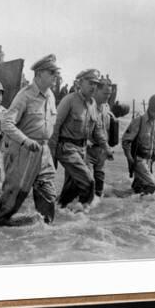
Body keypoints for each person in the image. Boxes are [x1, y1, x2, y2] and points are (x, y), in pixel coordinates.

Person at [0, 54, 59, 225]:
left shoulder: (51, 96)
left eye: (55, 72)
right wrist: (25, 141)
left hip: (44, 152)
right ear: (38, 74)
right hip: (24, 151)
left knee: (48, 193)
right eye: (51, 72)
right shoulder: (25, 95)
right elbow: (6, 123)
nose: (55, 76)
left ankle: (44, 232)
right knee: (14, 196)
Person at [49, 69, 113, 211]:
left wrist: (106, 148)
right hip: (67, 148)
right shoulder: (69, 100)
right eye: (90, 83)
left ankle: (59, 212)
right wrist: (51, 154)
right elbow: (55, 126)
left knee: (71, 190)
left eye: (96, 84)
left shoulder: (93, 105)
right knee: (89, 181)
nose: (93, 87)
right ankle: (84, 214)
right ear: (80, 83)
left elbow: (97, 130)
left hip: (82, 150)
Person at [122, 94, 155, 195]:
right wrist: (129, 158)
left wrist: (153, 154)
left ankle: (130, 206)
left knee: (139, 188)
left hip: (148, 161)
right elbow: (126, 141)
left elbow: (152, 140)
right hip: (138, 160)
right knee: (152, 186)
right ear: (151, 109)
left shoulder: (154, 122)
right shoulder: (139, 121)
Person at [85, 76, 116, 198]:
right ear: (96, 90)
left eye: (109, 94)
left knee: (99, 185)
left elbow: (106, 128)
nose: (107, 96)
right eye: (105, 93)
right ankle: (78, 212)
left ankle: (95, 213)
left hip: (101, 152)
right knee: (87, 183)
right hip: (88, 150)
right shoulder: (88, 106)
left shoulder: (106, 107)